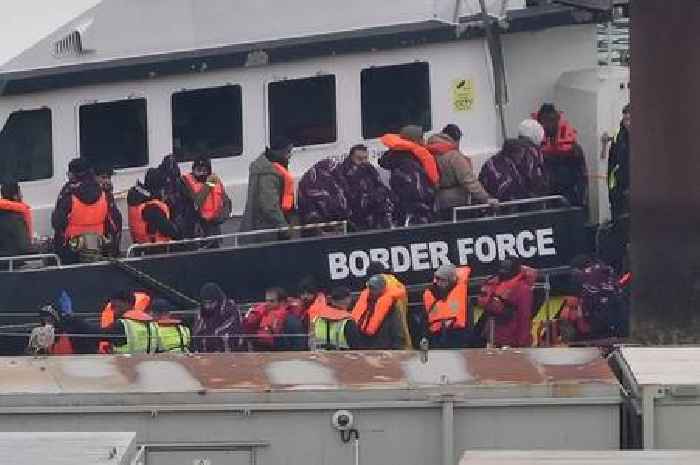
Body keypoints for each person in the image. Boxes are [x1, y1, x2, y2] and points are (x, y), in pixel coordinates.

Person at [51, 158, 114, 263]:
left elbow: (57, 223)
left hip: (72, 250)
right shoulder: (104, 194)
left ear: (73, 175)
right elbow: (112, 224)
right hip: (98, 247)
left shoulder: (68, 195)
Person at [426, 128, 496, 220]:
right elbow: (469, 180)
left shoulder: (429, 151)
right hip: (456, 204)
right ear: (456, 140)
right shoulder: (453, 156)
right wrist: (486, 198)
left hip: (436, 202)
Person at [378, 125, 439, 226]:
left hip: (404, 211)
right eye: (421, 138)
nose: (424, 141)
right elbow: (417, 191)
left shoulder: (400, 158)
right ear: (415, 140)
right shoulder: (408, 162)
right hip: (415, 214)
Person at [534, 104, 588, 207]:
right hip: (547, 201)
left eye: (550, 120)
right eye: (544, 121)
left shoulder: (573, 148)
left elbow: (582, 179)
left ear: (557, 120)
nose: (547, 125)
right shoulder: (537, 149)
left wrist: (581, 204)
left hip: (570, 200)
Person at [334, 145, 395, 231]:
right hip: (356, 218)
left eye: (365, 158)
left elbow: (380, 185)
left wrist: (388, 196)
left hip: (376, 214)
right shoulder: (344, 173)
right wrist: (374, 198)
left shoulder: (369, 169)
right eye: (359, 158)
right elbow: (351, 197)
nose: (363, 161)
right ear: (351, 158)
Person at [422, 264, 483, 348]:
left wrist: (468, 342)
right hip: (436, 338)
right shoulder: (430, 294)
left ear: (451, 281)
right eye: (438, 279)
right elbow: (425, 320)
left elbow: (469, 323)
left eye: (443, 280)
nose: (439, 283)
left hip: (458, 337)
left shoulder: (463, 298)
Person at [478, 259, 534, 348]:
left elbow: (484, 302)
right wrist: (523, 342)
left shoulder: (494, 282)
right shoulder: (523, 288)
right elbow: (524, 317)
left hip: (493, 336)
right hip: (510, 339)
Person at [478, 138, 548, 202]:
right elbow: (510, 193)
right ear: (514, 154)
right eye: (521, 153)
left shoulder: (497, 160)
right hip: (498, 205)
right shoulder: (504, 172)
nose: (522, 157)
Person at [349, 274, 406, 349]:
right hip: (364, 347)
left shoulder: (391, 306)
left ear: (382, 289)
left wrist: (397, 348)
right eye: (370, 287)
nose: (371, 290)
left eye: (374, 288)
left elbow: (398, 330)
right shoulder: (364, 301)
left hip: (383, 348)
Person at [127, 168, 181, 245]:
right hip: (156, 250)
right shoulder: (152, 208)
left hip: (142, 248)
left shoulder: (137, 201)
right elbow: (170, 231)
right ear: (158, 188)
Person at [182, 156, 232, 238]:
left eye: (204, 170)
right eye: (198, 170)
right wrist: (208, 185)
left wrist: (220, 217)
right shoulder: (187, 183)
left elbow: (226, 202)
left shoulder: (215, 180)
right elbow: (196, 203)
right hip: (198, 228)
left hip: (215, 227)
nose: (201, 173)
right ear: (193, 170)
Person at [296, 158, 349, 227]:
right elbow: (309, 213)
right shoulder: (308, 185)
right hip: (320, 228)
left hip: (340, 224)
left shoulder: (336, 183)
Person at [192, 283, 242, 353]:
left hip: (228, 353)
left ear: (218, 300)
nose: (207, 306)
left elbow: (232, 329)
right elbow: (197, 332)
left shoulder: (230, 308)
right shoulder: (201, 310)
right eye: (205, 303)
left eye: (211, 303)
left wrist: (212, 336)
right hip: (206, 355)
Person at [158, 154, 198, 238]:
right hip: (174, 220)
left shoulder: (181, 182)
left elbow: (190, 200)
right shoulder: (180, 181)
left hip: (181, 219)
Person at [94, 165, 123, 257]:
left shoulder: (108, 194)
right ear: (95, 177)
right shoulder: (94, 196)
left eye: (109, 177)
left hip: (113, 240)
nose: (107, 181)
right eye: (103, 177)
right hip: (103, 242)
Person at [0, 181, 32, 257]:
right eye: (20, 193)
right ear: (15, 196)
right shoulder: (16, 218)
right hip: (11, 262)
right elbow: (23, 247)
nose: (22, 196)